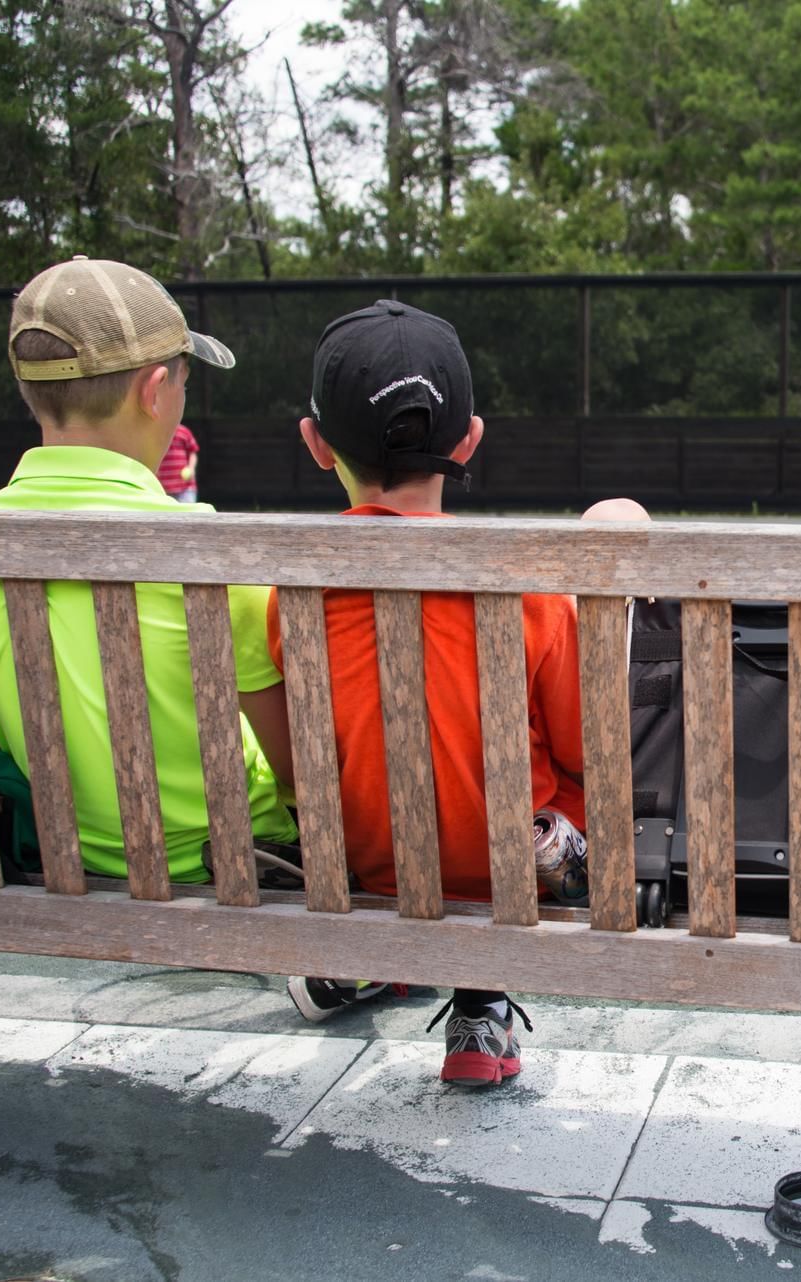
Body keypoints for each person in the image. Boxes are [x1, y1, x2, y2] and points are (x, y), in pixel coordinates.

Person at [258, 299, 645, 1087]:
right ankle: (479, 999)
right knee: (544, 790)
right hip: (515, 871)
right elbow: (586, 756)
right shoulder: (529, 591)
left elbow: (308, 768)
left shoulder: (292, 595)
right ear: (469, 440)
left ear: (315, 443)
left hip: (369, 870)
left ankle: (377, 961)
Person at [0, 256, 298, 883]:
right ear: (154, 389)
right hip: (235, 871)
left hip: (61, 871)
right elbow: (301, 774)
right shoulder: (215, 555)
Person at [157, 423, 199, 502]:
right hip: (163, 490)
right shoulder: (158, 433)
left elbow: (193, 452)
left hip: (185, 488)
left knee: (188, 514)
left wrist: (191, 468)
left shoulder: (184, 432)